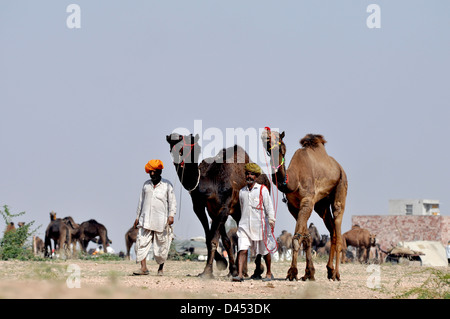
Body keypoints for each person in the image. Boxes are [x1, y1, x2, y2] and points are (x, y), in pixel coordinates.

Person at [232, 163, 276, 282]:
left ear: (256, 176)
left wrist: (271, 220)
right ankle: (240, 275)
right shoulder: (242, 192)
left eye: (251, 174)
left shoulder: (262, 189)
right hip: (245, 225)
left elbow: (269, 206)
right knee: (242, 249)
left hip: (261, 225)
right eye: (247, 174)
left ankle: (268, 273)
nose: (249, 176)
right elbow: (242, 208)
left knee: (265, 250)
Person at [133, 159, 176, 276]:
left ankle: (160, 269)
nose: (152, 174)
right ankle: (143, 268)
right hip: (145, 219)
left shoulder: (167, 185)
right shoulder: (146, 185)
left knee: (162, 246)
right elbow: (140, 202)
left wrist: (171, 215)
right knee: (141, 243)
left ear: (160, 172)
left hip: (161, 220)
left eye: (154, 172)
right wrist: (137, 217)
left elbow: (172, 202)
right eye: (150, 172)